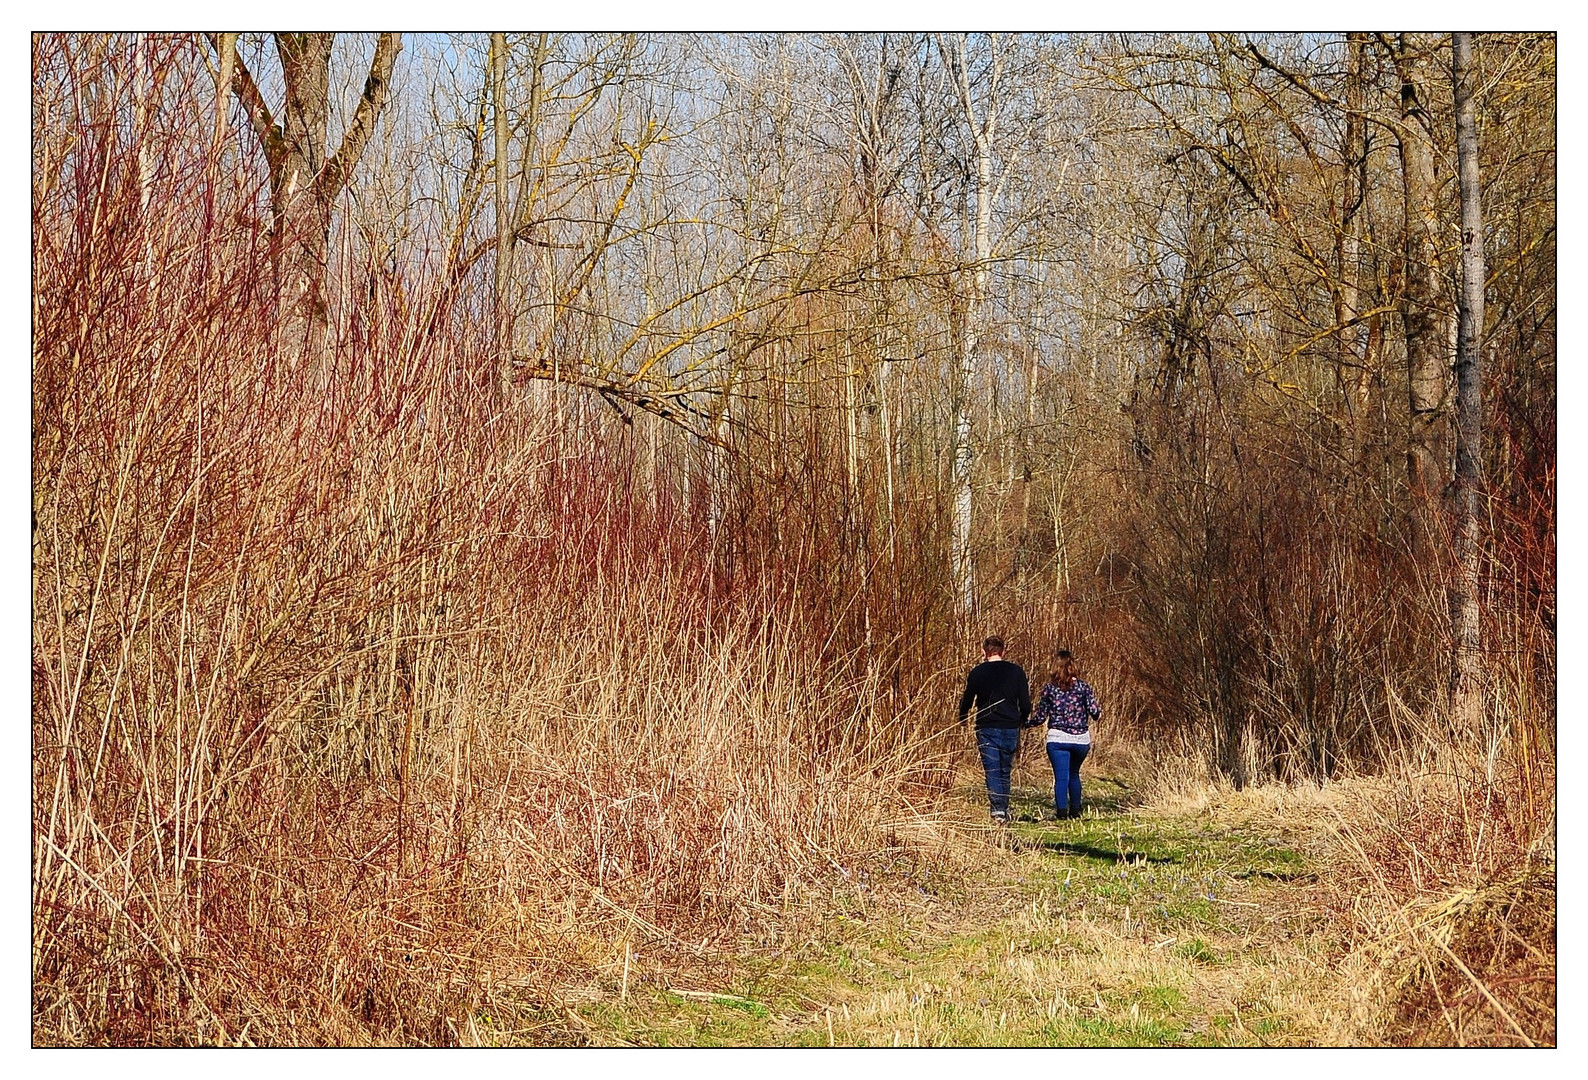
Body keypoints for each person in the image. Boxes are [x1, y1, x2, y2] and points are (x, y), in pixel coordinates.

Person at [957, 636, 1032, 822]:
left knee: (992, 769)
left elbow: (967, 698)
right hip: (1010, 726)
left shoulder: (978, 672)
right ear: (1003, 651)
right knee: (1005, 769)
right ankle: (1003, 807)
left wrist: (963, 716)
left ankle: (997, 809)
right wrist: (1023, 718)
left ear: (984, 652)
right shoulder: (1016, 672)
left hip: (986, 725)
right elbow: (1025, 702)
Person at [1033, 649, 1100, 819]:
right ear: (1073, 666)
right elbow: (1095, 712)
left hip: (1057, 738)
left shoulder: (1049, 689)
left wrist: (1026, 723)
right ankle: (1076, 810)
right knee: (1074, 774)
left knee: (1061, 777)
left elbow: (1041, 717)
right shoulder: (1083, 687)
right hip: (1080, 739)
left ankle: (1061, 812)